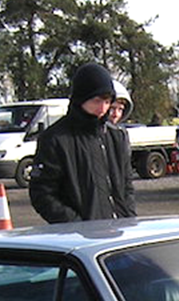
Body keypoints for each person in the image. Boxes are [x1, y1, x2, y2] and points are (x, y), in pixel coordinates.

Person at [28, 62, 135, 223]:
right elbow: (42, 193)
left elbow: (127, 186)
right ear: (81, 98)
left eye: (107, 102)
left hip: (120, 232)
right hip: (80, 237)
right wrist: (75, 224)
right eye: (97, 101)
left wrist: (129, 217)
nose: (103, 108)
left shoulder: (116, 137)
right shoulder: (56, 139)